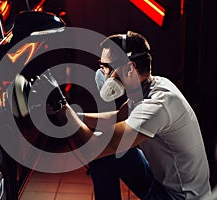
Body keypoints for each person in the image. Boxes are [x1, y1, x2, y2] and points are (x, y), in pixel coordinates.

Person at [18, 30, 211, 199]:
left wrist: (62, 107)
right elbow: (119, 116)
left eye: (108, 67)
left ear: (130, 68)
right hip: (162, 183)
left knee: (102, 149)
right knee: (105, 153)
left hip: (176, 197)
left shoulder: (157, 105)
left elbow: (95, 148)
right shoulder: (149, 87)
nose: (103, 74)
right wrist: (77, 114)